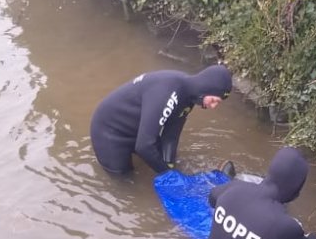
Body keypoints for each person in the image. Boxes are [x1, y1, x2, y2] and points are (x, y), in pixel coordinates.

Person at [89, 64, 232, 174]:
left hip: (136, 129)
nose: (213, 106)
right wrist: (168, 175)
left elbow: (172, 134)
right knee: (125, 181)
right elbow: (144, 146)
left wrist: (170, 165)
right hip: (109, 133)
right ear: (206, 88)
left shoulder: (188, 95)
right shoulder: (167, 92)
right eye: (214, 100)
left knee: (159, 157)